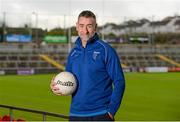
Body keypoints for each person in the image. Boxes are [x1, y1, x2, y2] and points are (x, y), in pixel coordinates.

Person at [50, 10, 125, 121]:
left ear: (95, 27)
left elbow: (119, 81)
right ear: (76, 26)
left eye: (89, 26)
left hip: (101, 114)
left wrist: (111, 111)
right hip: (76, 114)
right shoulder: (73, 52)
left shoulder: (106, 50)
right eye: (81, 26)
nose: (85, 31)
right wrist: (55, 86)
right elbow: (68, 80)